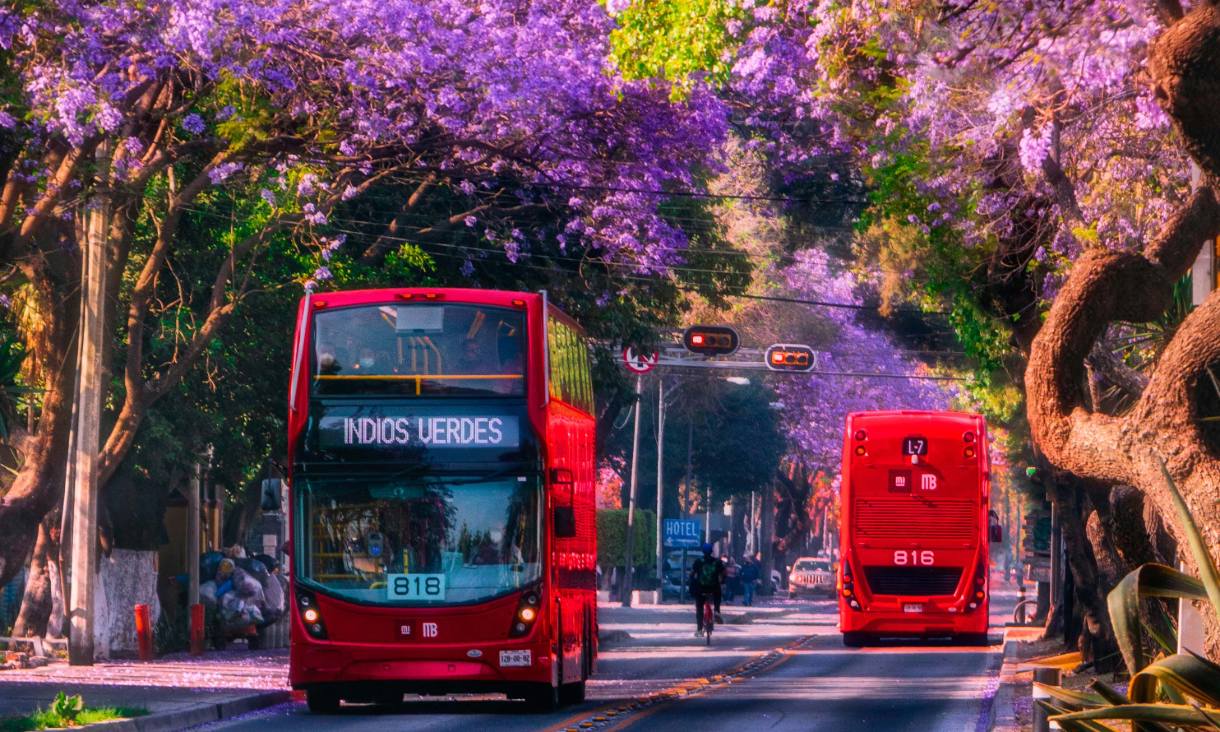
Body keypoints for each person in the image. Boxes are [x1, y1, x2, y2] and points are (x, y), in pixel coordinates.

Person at [689, 542, 725, 637]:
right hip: (713, 588)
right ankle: (717, 610)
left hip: (700, 588)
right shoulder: (717, 562)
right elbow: (723, 574)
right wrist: (722, 582)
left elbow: (692, 574)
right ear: (711, 551)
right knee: (718, 594)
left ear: (703, 551)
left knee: (699, 609)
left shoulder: (698, 562)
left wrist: (692, 582)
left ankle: (699, 630)